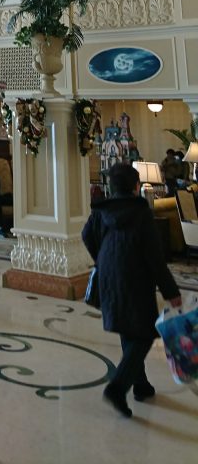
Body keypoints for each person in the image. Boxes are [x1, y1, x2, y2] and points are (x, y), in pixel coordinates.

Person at [82, 162, 181, 418]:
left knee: (128, 328)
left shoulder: (102, 210)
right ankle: (118, 386)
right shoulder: (141, 212)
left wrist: (102, 257)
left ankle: (141, 384)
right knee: (145, 333)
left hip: (108, 274)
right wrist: (171, 291)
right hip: (134, 277)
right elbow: (154, 257)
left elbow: (86, 234)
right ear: (136, 187)